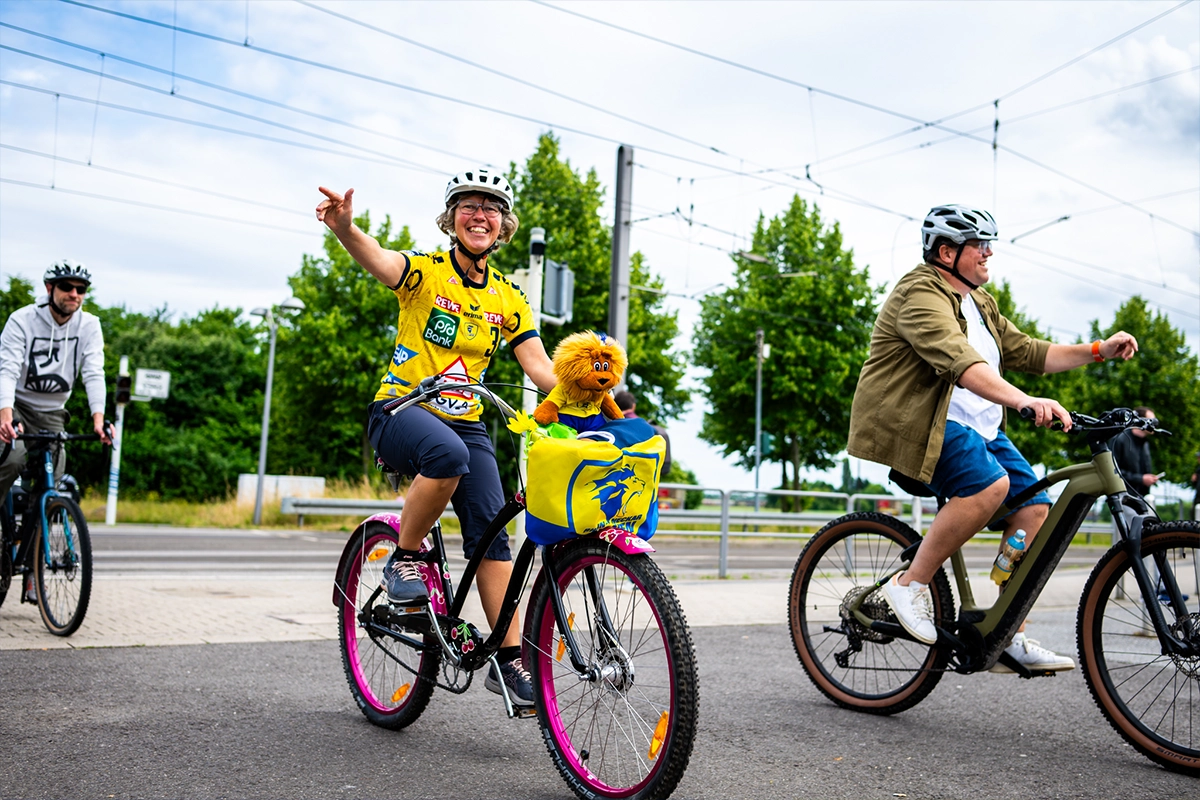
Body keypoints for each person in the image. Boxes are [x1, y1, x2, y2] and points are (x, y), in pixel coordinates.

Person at [847, 204, 1138, 672]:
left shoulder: (980, 302)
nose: (988, 253)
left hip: (981, 428)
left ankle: (1006, 634)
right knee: (989, 486)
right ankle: (909, 585)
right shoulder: (919, 293)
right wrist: (1024, 401)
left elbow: (1029, 351)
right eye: (979, 245)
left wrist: (1098, 350)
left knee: (1034, 508)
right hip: (925, 426)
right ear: (946, 253)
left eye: (989, 245)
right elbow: (960, 362)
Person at [316, 169, 556, 706]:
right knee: (447, 454)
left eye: (491, 208)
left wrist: (588, 394)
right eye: (468, 205)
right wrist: (345, 228)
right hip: (401, 410)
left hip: (467, 422)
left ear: (503, 225)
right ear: (451, 219)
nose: (480, 215)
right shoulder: (426, 273)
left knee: (494, 533)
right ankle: (403, 557)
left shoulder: (509, 297)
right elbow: (381, 260)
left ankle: (509, 660)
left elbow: (540, 366)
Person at [0, 261, 111, 600]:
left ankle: (32, 570)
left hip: (52, 412)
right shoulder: (22, 319)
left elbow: (94, 372)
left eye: (81, 289)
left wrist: (98, 420)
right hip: (16, 404)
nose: (74, 294)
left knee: (51, 483)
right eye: (67, 287)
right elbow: (6, 370)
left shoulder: (89, 325)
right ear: (50, 289)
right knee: (12, 459)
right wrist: (5, 416)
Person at [614, 389, 671, 478]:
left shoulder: (611, 425)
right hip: (643, 476)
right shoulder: (647, 427)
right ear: (633, 406)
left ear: (615, 405)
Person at [1110, 406, 1158, 498]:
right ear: (1140, 421)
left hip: (1141, 496)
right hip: (1123, 497)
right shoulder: (1119, 440)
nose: (1154, 424)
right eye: (1151, 420)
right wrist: (1140, 479)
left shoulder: (1145, 443)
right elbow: (1113, 470)